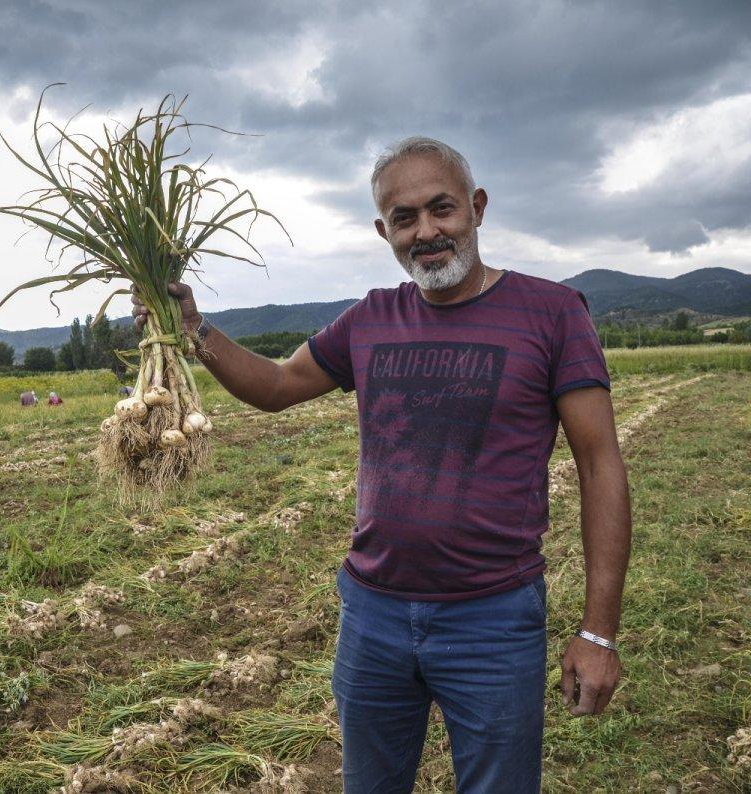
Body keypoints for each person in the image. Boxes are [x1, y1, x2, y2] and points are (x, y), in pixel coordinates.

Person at [132, 137, 630, 794]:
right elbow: (277, 386)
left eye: (441, 209)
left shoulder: (553, 313)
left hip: (492, 618)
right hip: (373, 616)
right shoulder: (371, 317)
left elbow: (599, 465)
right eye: (404, 218)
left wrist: (599, 631)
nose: (425, 231)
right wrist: (196, 329)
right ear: (383, 231)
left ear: (477, 208)